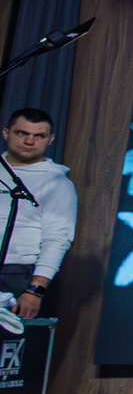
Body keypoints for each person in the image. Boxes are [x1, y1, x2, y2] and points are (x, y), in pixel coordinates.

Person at [0, 108, 76, 318]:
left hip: (14, 274)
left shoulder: (56, 183)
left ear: (50, 140)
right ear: (6, 133)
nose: (29, 141)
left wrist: (35, 291)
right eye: (22, 133)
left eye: (39, 136)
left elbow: (57, 239)